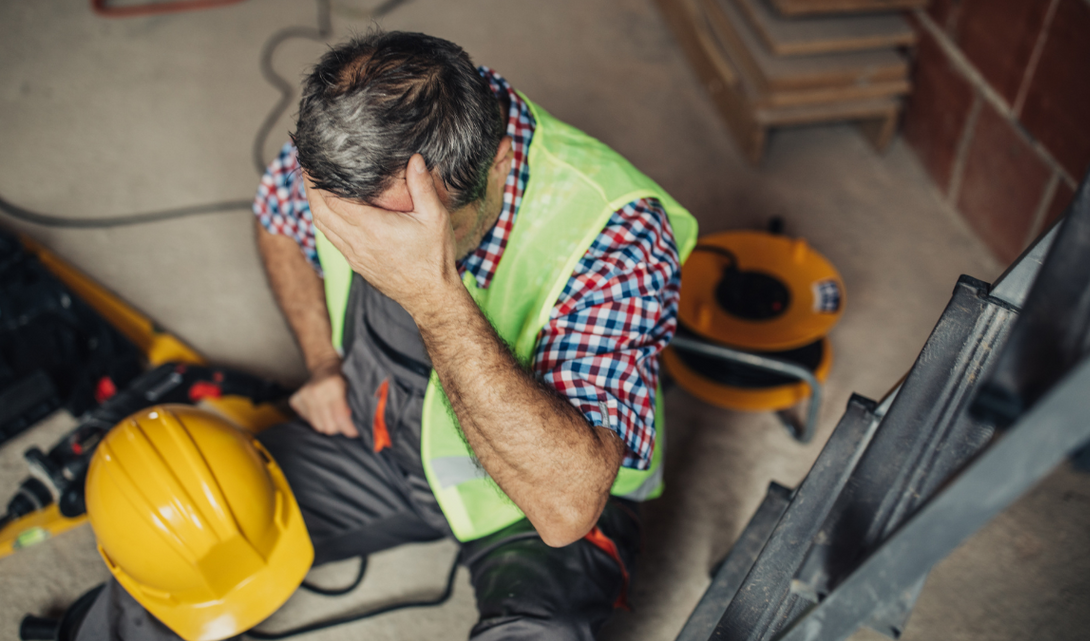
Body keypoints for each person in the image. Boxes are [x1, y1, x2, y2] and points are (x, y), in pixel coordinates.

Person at [76, 29, 696, 640]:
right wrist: (322, 364)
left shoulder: (617, 236)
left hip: (526, 502)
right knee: (180, 531)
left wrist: (434, 296)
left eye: (405, 235)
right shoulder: (350, 158)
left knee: (543, 631)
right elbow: (276, 217)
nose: (374, 251)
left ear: (499, 163)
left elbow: (564, 509)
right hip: (372, 439)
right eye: (357, 230)